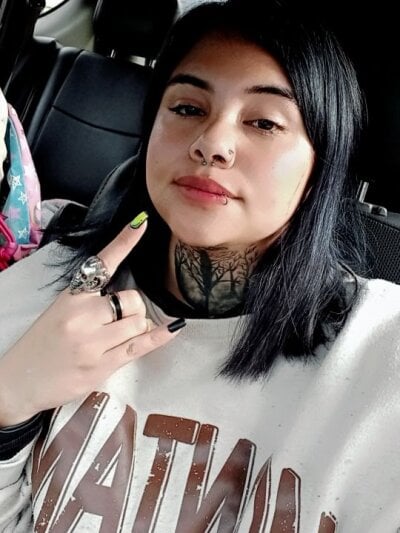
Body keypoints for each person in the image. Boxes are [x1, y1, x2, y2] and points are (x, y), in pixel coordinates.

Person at [0, 0, 399, 531]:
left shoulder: (381, 357)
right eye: (188, 108)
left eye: (264, 122)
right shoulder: (46, 287)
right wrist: (9, 407)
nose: (212, 144)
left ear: (317, 169)